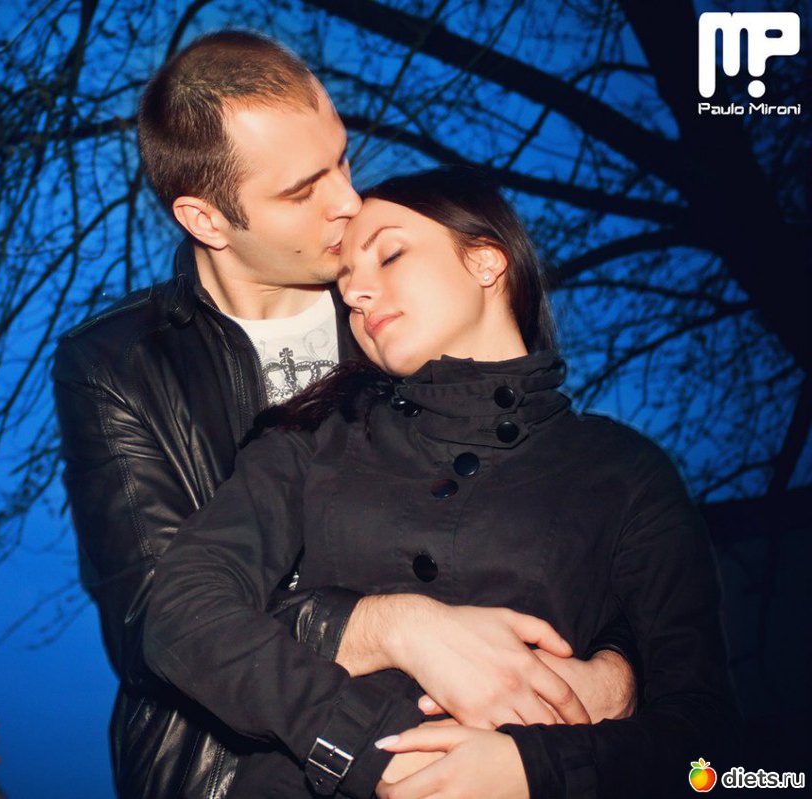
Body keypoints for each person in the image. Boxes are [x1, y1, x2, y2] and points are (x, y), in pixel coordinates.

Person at [53, 32, 636, 799]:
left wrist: (616, 668)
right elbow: (153, 625)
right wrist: (393, 625)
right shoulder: (117, 364)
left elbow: (562, 516)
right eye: (303, 191)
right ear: (208, 219)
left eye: (342, 160)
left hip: (476, 754)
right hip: (228, 774)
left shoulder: (403, 299)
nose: (349, 202)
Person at [142, 167, 739, 798]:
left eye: (389, 255)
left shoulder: (625, 473)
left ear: (485, 261)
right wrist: (368, 746)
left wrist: (534, 769)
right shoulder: (311, 440)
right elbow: (181, 614)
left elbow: (706, 745)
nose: (356, 295)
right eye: (345, 283)